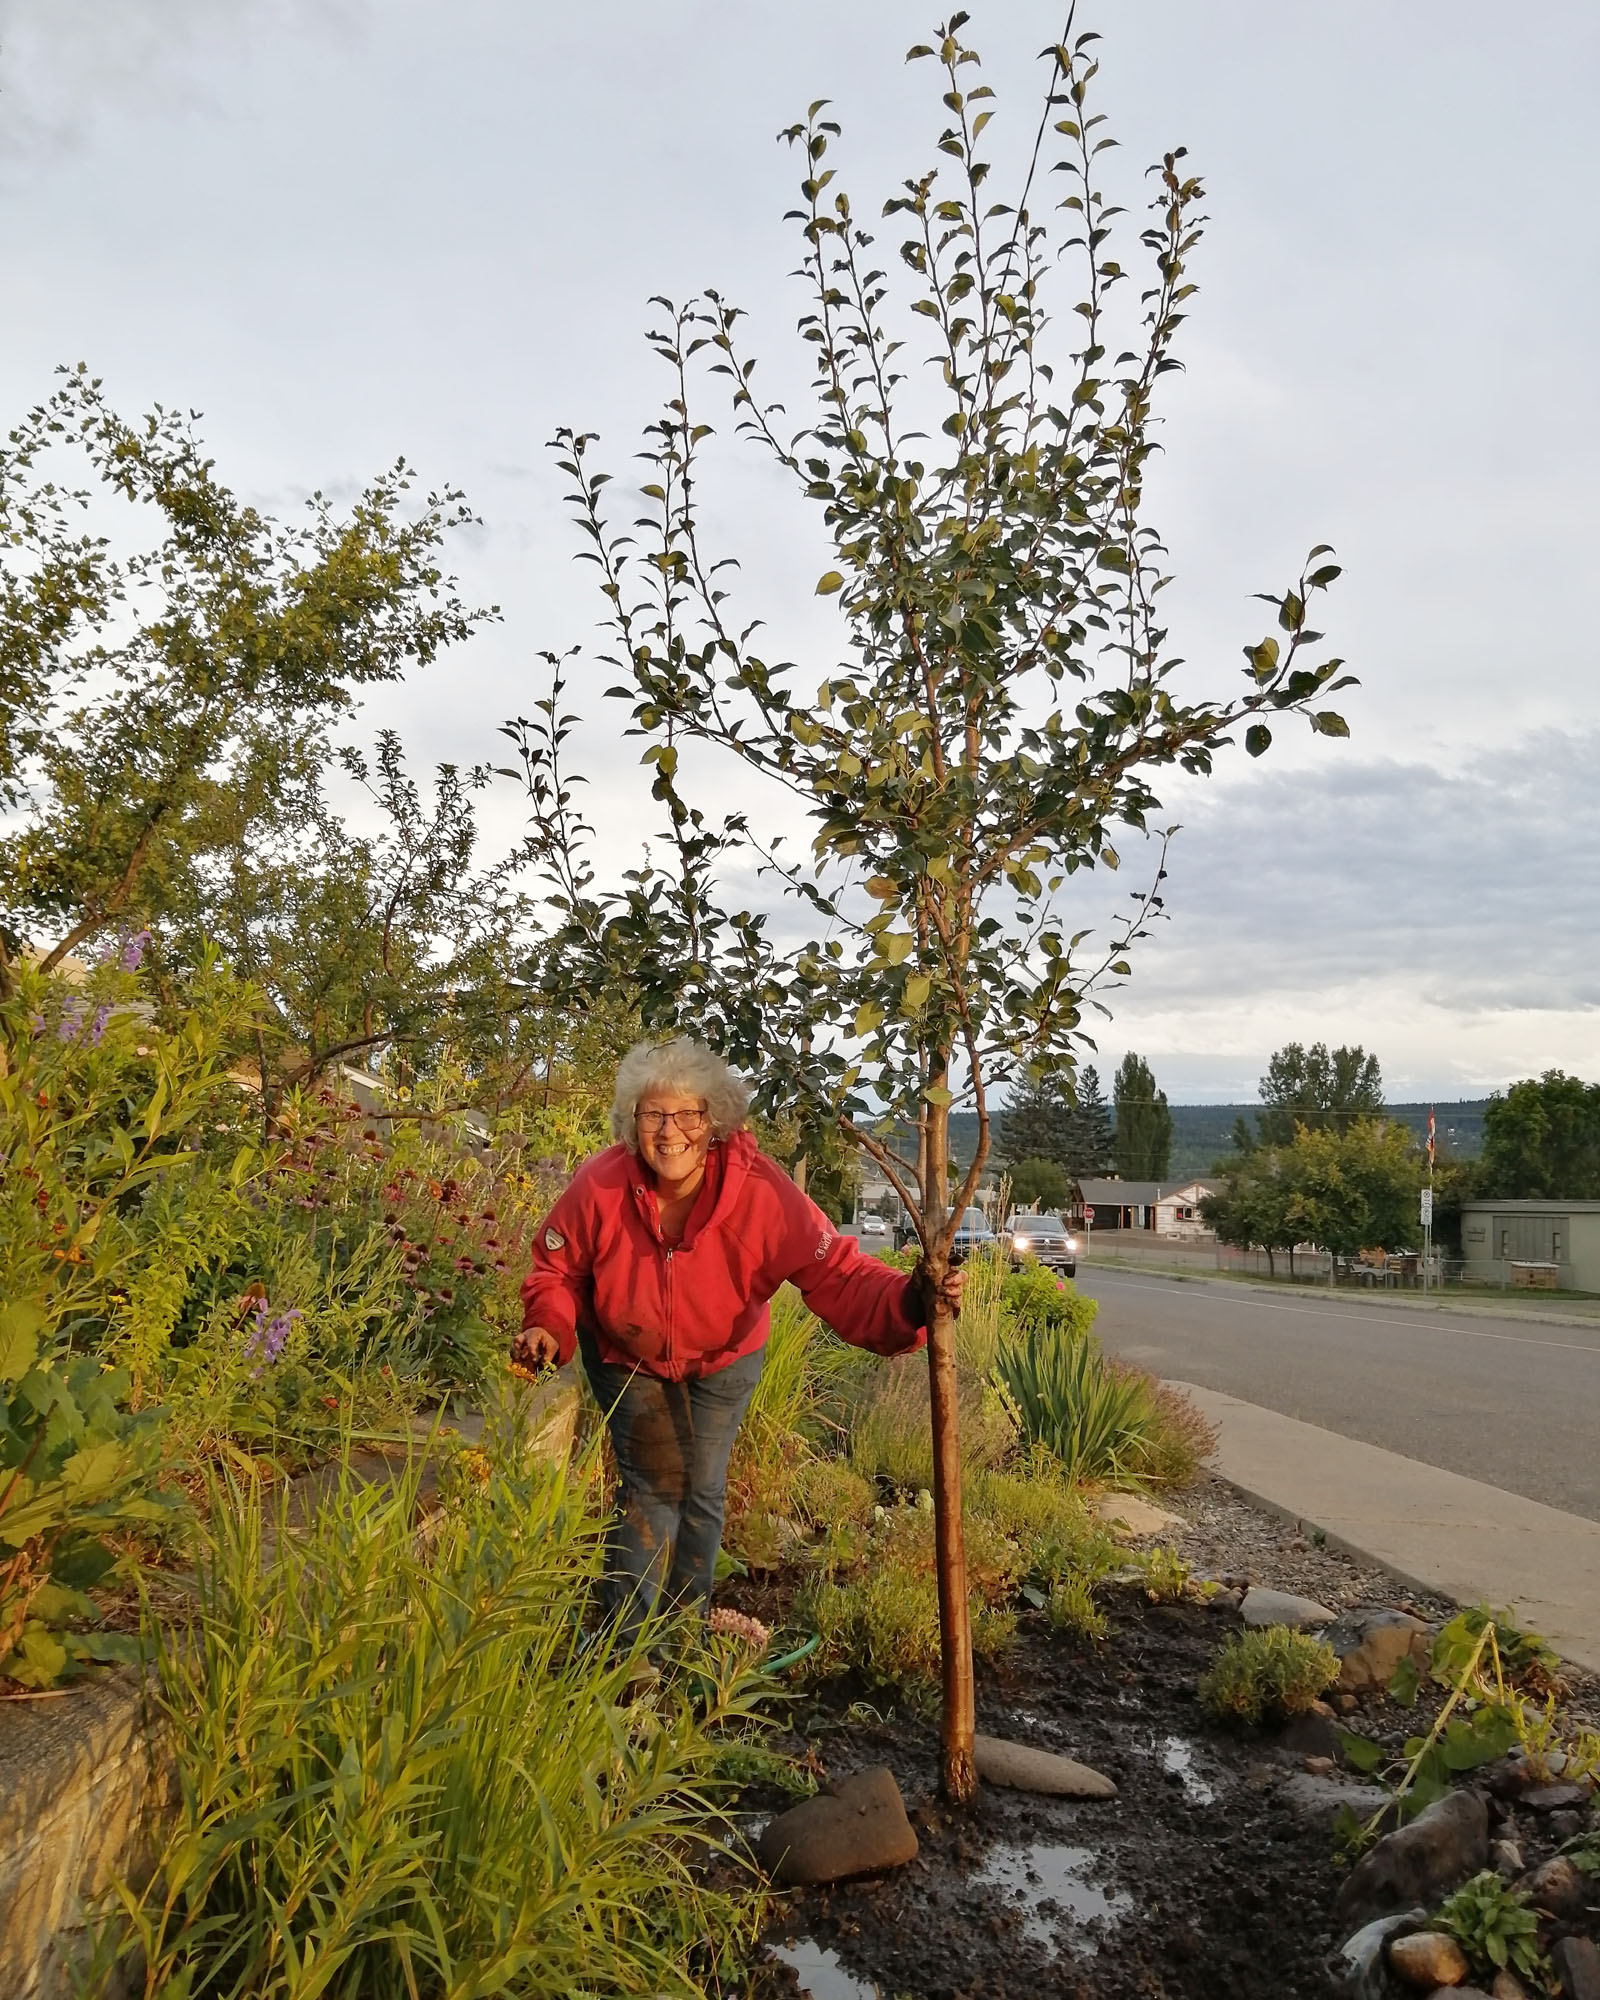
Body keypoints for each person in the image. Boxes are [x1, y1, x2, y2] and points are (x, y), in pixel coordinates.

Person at [514, 1036, 962, 1643]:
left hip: (726, 1358)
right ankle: (627, 1654)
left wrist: (912, 1300)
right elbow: (557, 1270)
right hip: (629, 1356)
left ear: (714, 1120)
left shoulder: (761, 1194)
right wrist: (548, 1324)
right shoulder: (601, 1186)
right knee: (654, 1487)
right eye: (653, 1115)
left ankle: (683, 1638)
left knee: (701, 1489)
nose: (669, 1132)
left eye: (687, 1115)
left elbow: (840, 1275)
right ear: (632, 1122)